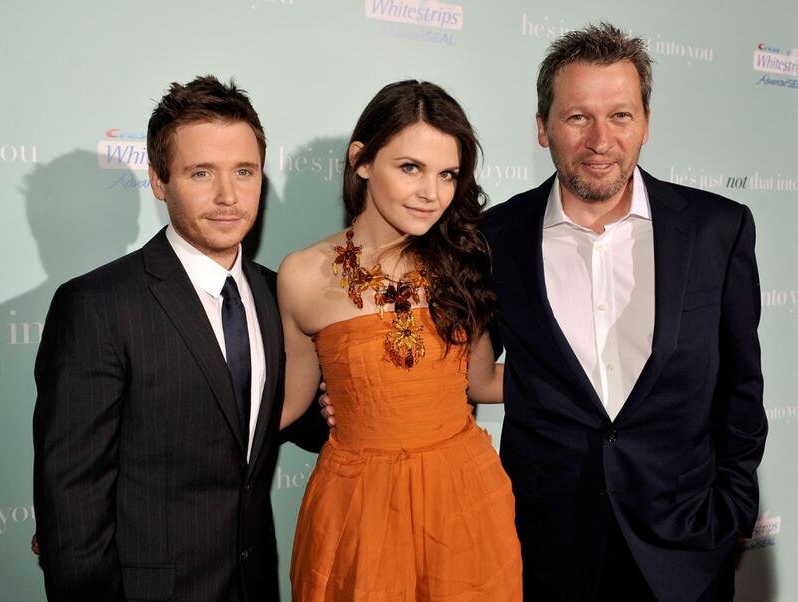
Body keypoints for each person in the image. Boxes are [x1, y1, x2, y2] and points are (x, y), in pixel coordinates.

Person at [484, 23, 768, 601]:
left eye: (620, 115)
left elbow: (741, 387)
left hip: (686, 547)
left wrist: (731, 509)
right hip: (545, 549)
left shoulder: (717, 228)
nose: (600, 140)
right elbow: (457, 368)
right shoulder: (494, 238)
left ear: (645, 124)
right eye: (577, 117)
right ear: (543, 128)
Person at [33, 75, 326, 602]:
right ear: (159, 180)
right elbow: (72, 504)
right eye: (200, 173)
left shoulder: (276, 294)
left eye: (244, 171)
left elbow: (278, 420)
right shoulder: (97, 306)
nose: (228, 196)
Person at [278, 80, 522, 600]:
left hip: (462, 498)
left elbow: (479, 383)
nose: (430, 192)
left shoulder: (464, 260)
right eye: (410, 167)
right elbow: (286, 402)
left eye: (447, 174)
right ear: (361, 160)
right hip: (356, 507)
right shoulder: (300, 275)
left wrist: (594, 384)